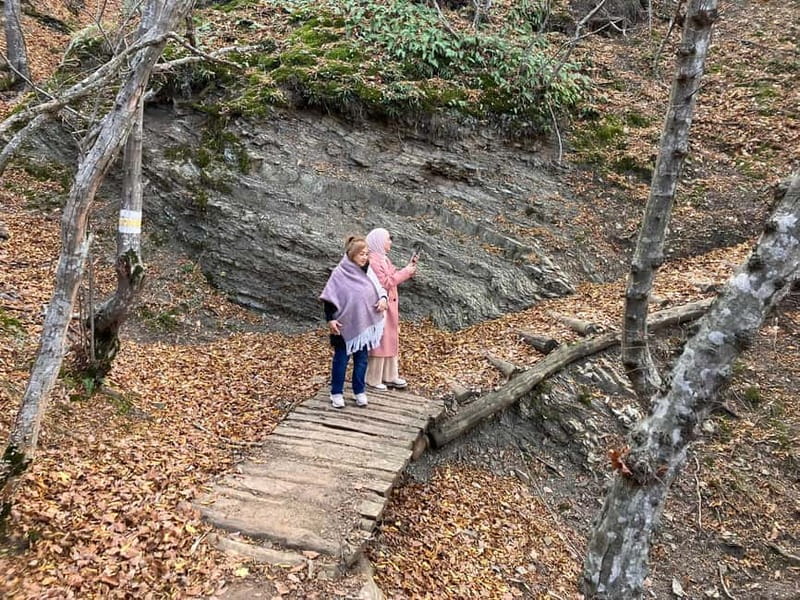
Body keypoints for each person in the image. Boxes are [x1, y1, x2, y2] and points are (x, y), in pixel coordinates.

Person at [320, 236, 388, 408]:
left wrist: (383, 299)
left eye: (367, 254)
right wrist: (331, 320)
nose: (365, 257)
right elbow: (329, 298)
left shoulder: (367, 271)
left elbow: (380, 288)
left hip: (364, 325)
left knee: (362, 360)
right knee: (341, 360)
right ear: (352, 254)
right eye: (361, 254)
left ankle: (359, 391)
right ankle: (336, 393)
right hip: (343, 325)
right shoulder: (339, 273)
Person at [364, 227, 418, 390]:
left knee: (390, 338)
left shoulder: (384, 259)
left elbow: (394, 275)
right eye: (388, 239)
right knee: (381, 339)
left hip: (390, 304)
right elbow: (386, 282)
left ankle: (389, 375)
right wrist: (405, 272)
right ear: (379, 241)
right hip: (380, 305)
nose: (390, 242)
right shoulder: (373, 260)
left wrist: (409, 269)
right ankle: (373, 378)